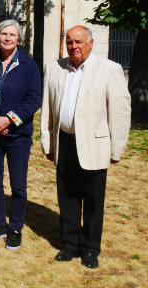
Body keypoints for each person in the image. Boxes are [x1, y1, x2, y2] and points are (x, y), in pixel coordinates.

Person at [41, 25, 131, 269]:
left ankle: (90, 249)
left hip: (94, 145)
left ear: (91, 43)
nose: (74, 46)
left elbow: (120, 112)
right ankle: (69, 244)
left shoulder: (109, 69)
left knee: (93, 200)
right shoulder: (55, 68)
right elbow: (47, 109)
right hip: (65, 142)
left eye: (79, 42)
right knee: (67, 196)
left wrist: (117, 148)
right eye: (70, 42)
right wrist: (47, 142)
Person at [0, 19, 41, 250]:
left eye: (12, 34)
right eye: (3, 34)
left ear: (19, 39)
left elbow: (33, 99)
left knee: (18, 185)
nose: (7, 38)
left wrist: (8, 119)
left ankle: (15, 228)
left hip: (17, 136)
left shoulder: (29, 66)